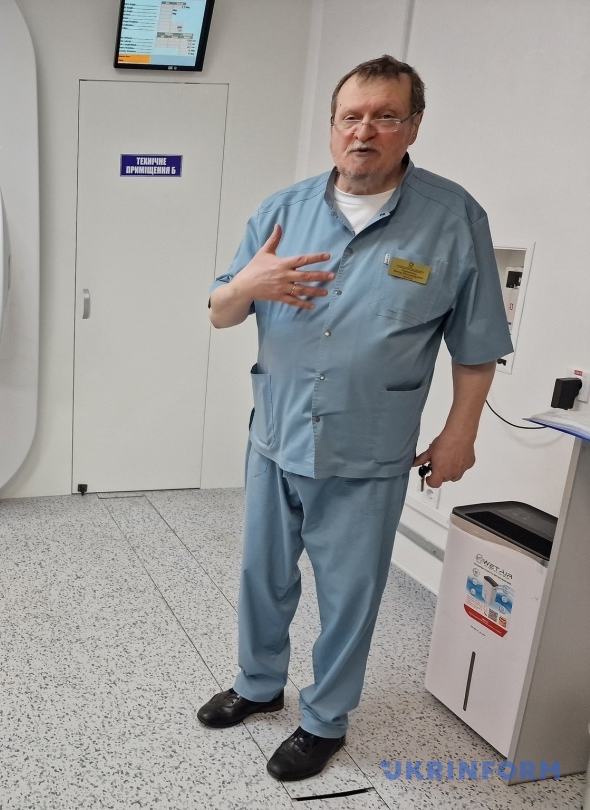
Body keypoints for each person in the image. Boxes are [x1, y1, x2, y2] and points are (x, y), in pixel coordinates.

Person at [198, 55, 513, 781]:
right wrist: (246, 284)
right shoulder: (281, 213)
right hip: (276, 436)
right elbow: (219, 311)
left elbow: (477, 345)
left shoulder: (453, 219)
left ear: (413, 126)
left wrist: (460, 433)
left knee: (349, 595)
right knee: (261, 574)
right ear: (333, 126)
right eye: (351, 116)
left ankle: (324, 720)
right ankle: (258, 684)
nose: (364, 131)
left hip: (368, 448)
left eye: (385, 116)